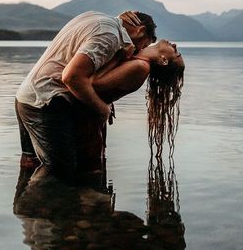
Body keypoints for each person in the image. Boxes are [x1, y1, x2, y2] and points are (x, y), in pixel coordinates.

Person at [15, 10, 157, 181]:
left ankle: (26, 204)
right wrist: (101, 108)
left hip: (26, 96)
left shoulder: (95, 17)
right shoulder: (110, 35)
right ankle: (44, 201)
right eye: (141, 45)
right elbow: (72, 77)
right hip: (47, 102)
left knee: (30, 165)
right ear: (140, 30)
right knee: (60, 172)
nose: (136, 51)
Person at [75, 39, 185, 171]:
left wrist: (118, 58)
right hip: (84, 116)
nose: (174, 45)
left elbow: (93, 83)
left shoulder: (140, 66)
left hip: (83, 120)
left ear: (164, 60)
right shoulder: (137, 58)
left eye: (176, 52)